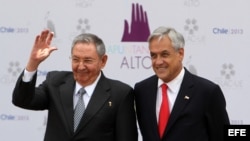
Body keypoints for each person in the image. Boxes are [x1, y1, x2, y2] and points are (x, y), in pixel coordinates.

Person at [12, 29, 138, 141]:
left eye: (88, 60)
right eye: (76, 59)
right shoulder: (55, 82)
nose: (81, 66)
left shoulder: (120, 94)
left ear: (103, 61)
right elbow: (22, 100)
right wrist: (33, 64)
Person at [134, 26, 230, 141]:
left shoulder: (207, 92)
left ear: (180, 53)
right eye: (153, 55)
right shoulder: (142, 90)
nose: (158, 62)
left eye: (165, 54)